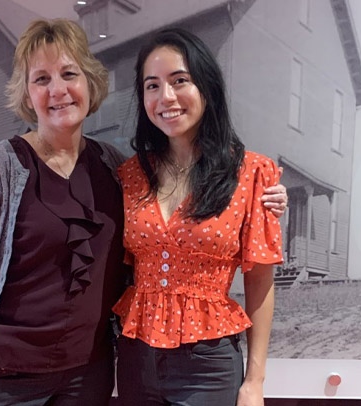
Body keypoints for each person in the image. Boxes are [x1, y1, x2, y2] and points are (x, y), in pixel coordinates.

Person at [0, 19, 287, 406]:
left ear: (89, 83)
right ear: (26, 92)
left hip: (97, 375)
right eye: (41, 79)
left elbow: (250, 275)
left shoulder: (120, 169)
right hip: (14, 378)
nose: (58, 90)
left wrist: (254, 381)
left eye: (69, 74)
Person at [113, 28, 283, 406]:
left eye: (179, 81)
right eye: (152, 86)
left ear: (207, 86)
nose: (166, 97)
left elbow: (259, 283)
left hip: (207, 364)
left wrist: (254, 382)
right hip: (136, 358)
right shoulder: (129, 175)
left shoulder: (252, 174)